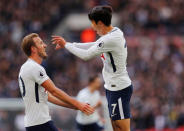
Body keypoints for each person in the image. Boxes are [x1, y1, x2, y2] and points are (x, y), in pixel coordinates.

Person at [52, 5, 133, 131]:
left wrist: (67, 46)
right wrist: (68, 44)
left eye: (93, 23)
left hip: (119, 88)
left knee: (123, 128)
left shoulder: (110, 39)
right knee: (116, 127)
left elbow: (86, 55)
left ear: (100, 23)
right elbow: (94, 45)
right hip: (112, 88)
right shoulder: (113, 33)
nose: (92, 27)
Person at [18, 33, 94, 131]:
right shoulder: (34, 67)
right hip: (40, 123)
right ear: (33, 49)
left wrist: (74, 106)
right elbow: (54, 90)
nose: (45, 45)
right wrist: (78, 104)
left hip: (36, 123)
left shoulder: (27, 67)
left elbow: (48, 96)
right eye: (41, 43)